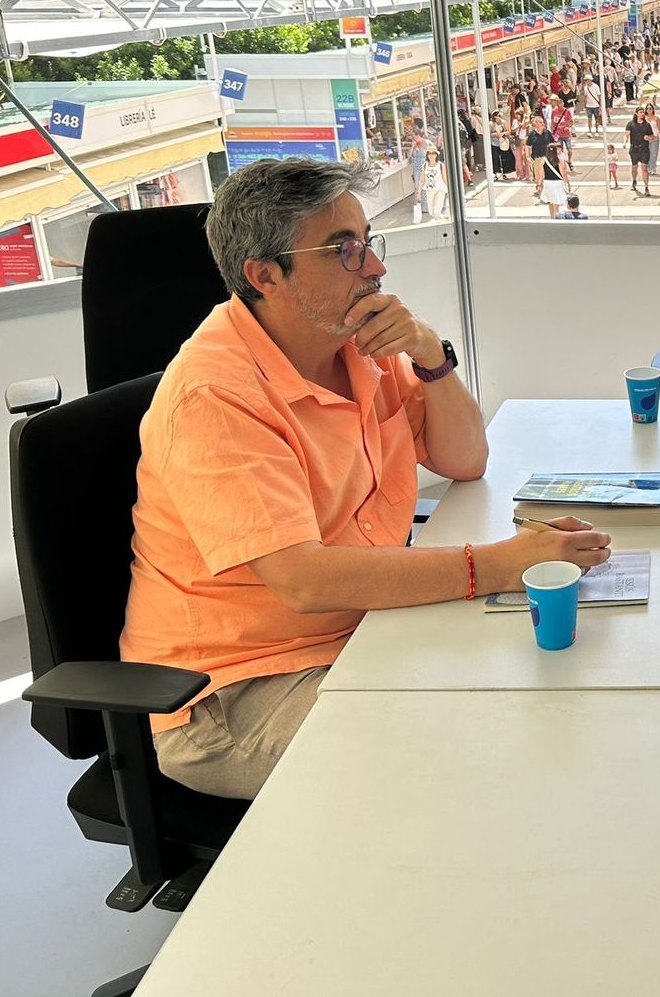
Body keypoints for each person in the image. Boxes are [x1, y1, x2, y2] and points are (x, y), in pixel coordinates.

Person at [119, 159, 610, 799]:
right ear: (265, 275)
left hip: (354, 631)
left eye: (368, 243)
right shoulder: (215, 396)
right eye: (343, 251)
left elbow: (465, 460)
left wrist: (431, 356)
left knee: (537, 689)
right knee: (476, 748)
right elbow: (302, 578)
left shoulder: (353, 346)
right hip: (234, 691)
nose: (375, 268)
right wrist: (498, 564)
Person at [626, 107, 654, 196]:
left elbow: (652, 136)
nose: (642, 114)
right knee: (634, 167)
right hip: (634, 149)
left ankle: (646, 187)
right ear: (636, 113)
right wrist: (625, 142)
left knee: (644, 168)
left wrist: (648, 138)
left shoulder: (647, 125)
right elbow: (626, 134)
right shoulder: (631, 124)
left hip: (644, 149)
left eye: (643, 112)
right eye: (641, 112)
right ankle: (634, 180)